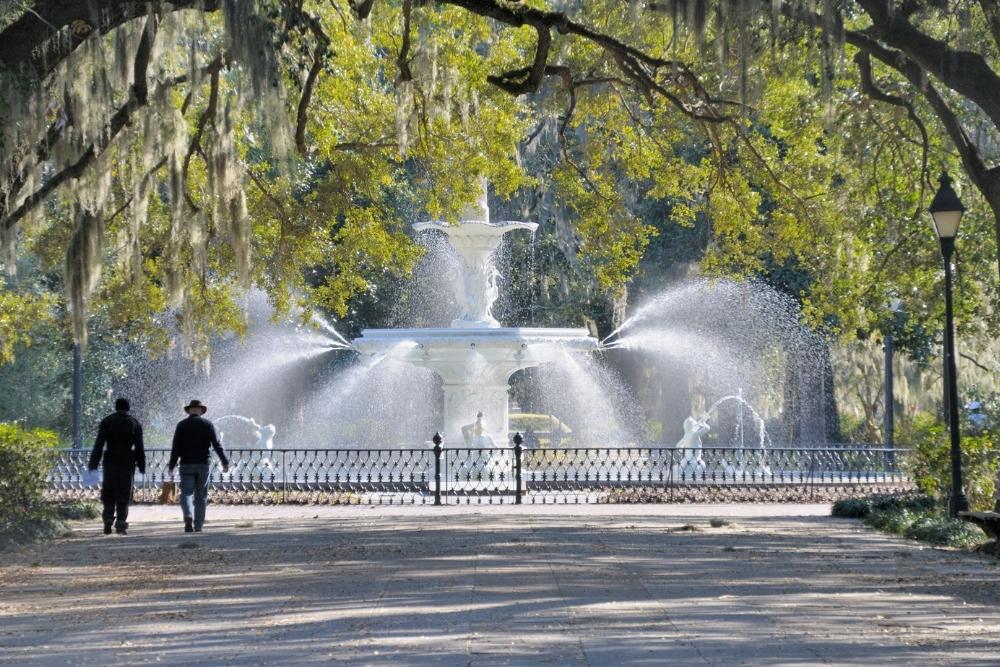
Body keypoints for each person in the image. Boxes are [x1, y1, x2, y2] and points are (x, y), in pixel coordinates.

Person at [168, 400, 229, 533]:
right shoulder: (208, 424)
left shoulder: (181, 425)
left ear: (189, 410)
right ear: (201, 410)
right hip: (203, 464)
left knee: (186, 493)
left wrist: (171, 466)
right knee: (201, 496)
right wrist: (224, 461)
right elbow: (217, 445)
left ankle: (188, 515)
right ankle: (198, 526)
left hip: (186, 464)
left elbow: (176, 447)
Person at [88, 398, 145, 535]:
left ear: (115, 407)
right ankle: (120, 524)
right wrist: (141, 465)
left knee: (109, 491)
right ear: (128, 408)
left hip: (110, 460)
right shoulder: (134, 423)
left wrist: (93, 463)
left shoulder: (107, 421)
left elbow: (99, 444)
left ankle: (108, 519)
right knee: (124, 492)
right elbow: (139, 447)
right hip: (127, 460)